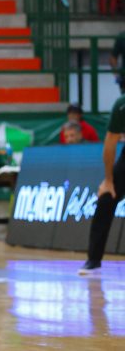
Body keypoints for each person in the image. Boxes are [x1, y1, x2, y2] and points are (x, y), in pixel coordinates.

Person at [78, 94, 125, 275]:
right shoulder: (121, 105)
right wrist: (108, 180)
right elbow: (111, 140)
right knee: (106, 198)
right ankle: (93, 259)